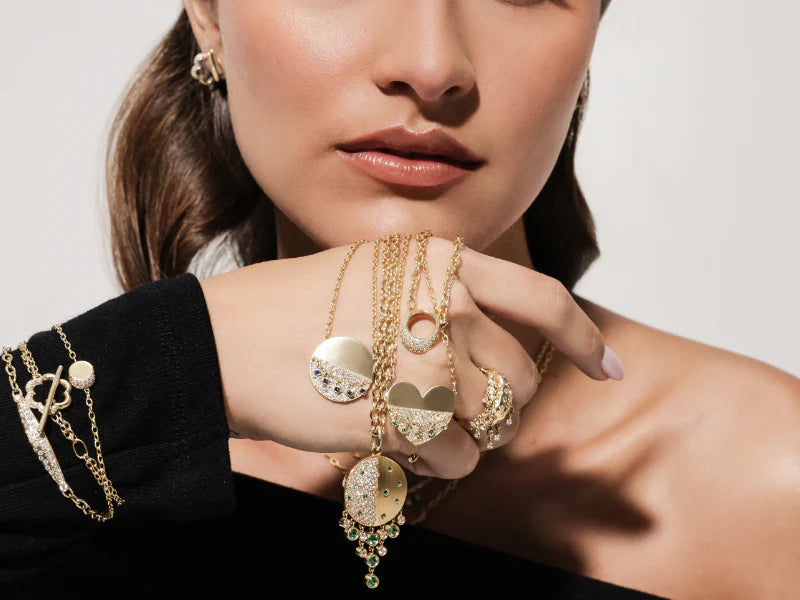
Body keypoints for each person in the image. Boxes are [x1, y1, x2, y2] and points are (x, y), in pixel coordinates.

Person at [1, 1, 798, 598]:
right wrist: (182, 358)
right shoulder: (96, 437)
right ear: (208, 13)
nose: (431, 64)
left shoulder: (767, 479)